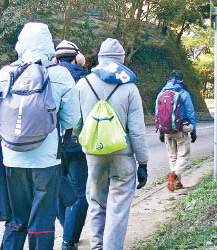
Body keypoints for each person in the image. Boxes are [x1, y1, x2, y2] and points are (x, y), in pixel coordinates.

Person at [0, 21, 80, 250]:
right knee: (42, 221)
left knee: (17, 219)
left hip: (12, 158)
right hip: (47, 160)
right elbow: (72, 120)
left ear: (21, 44)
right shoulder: (60, 75)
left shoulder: (5, 74)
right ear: (49, 46)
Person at [75, 38, 149, 250]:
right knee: (117, 208)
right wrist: (142, 162)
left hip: (94, 155)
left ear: (99, 58)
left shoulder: (83, 84)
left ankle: (97, 247)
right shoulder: (129, 88)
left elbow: (77, 124)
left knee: (96, 202)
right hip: (123, 155)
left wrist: (89, 142)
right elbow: (136, 131)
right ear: (121, 60)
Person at [53, 40, 88, 250]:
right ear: (78, 58)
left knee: (60, 188)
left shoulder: (48, 76)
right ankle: (69, 239)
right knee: (80, 192)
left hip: (54, 145)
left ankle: (67, 228)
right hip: (77, 144)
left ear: (56, 58)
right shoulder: (83, 79)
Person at [156, 70, 197, 192]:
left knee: (172, 156)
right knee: (184, 156)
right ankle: (174, 175)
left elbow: (158, 114)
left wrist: (160, 131)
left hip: (166, 130)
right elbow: (190, 113)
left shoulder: (161, 94)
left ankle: (177, 183)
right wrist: (193, 130)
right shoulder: (183, 93)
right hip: (180, 129)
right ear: (182, 80)